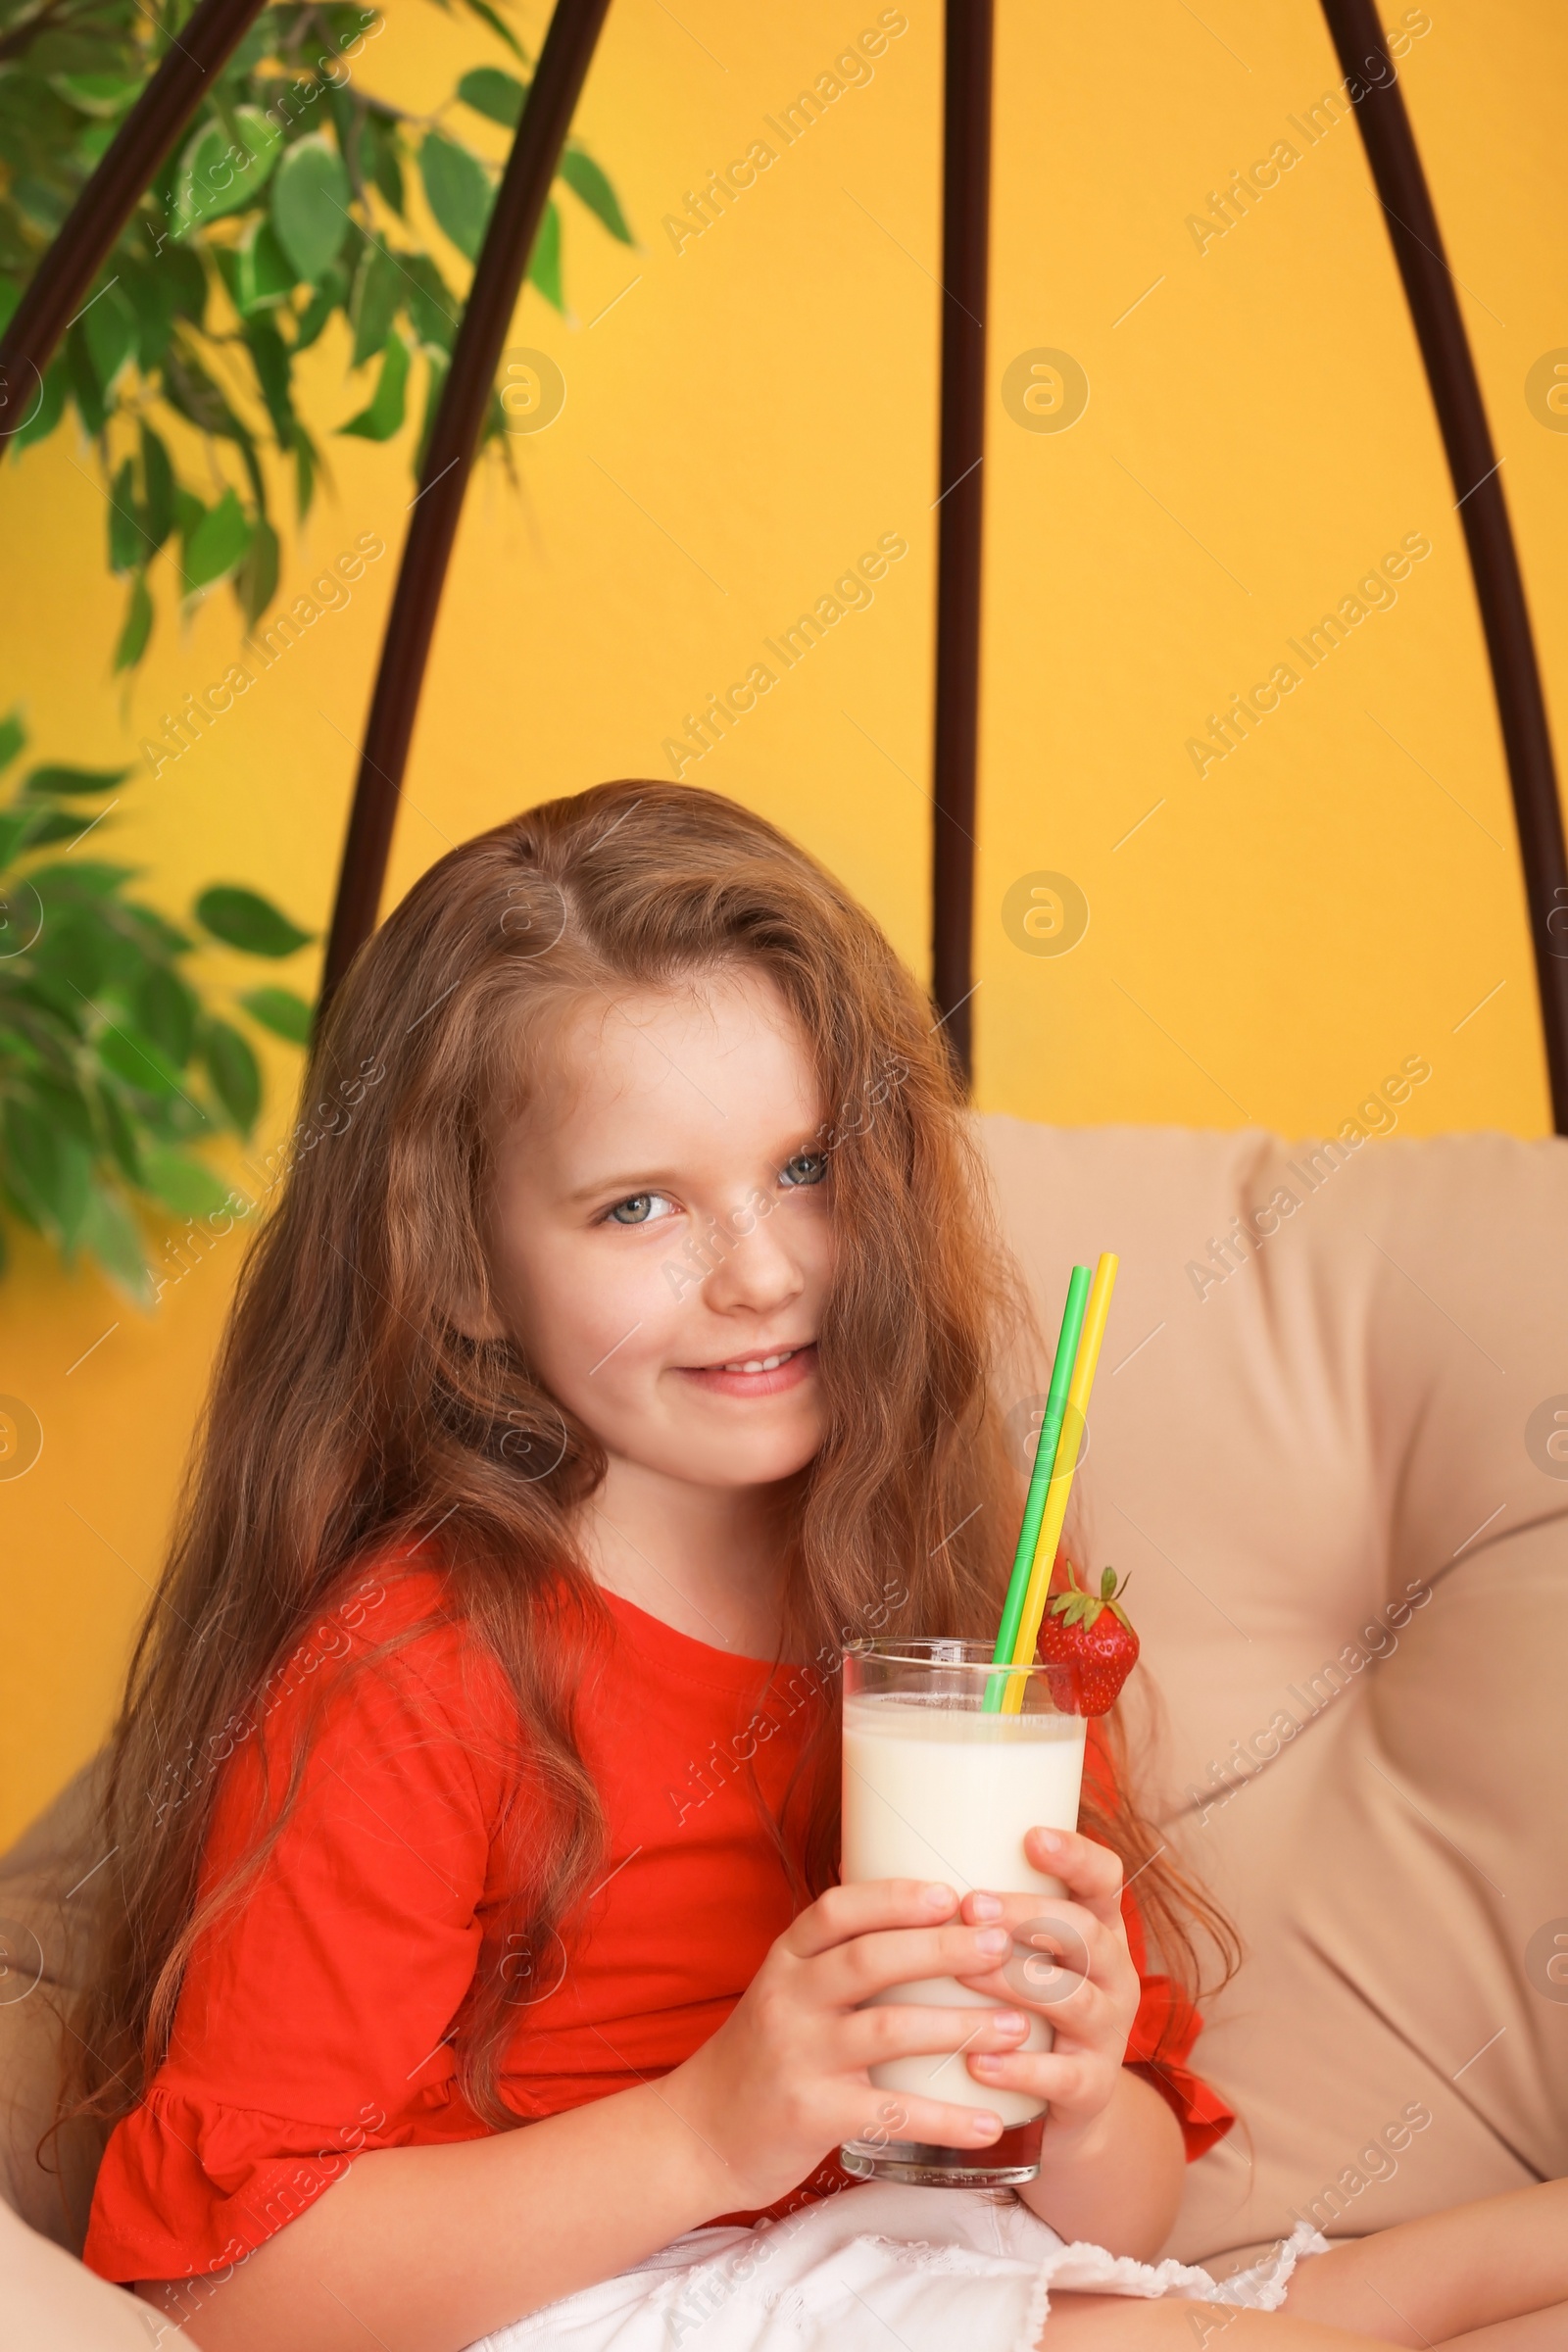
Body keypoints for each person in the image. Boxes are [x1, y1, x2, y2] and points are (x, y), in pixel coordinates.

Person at [65, 784, 1565, 2349]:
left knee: (1508, 2259)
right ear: (461, 1275)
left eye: (802, 1169)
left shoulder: (967, 1614)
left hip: (913, 2259)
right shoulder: (414, 1673)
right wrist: (710, 2129)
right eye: (639, 1206)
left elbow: (1122, 2222)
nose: (764, 1273)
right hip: (600, 2300)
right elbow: (217, 2289)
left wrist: (1077, 2088)